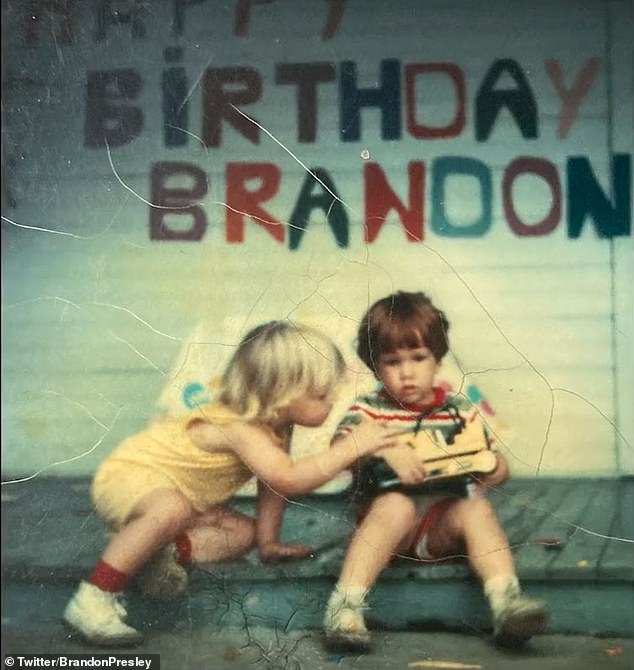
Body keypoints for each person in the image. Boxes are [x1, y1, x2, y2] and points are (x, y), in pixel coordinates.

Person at [63, 321, 402, 647]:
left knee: (242, 533)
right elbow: (289, 477)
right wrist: (351, 448)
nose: (331, 403)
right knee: (170, 507)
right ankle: (93, 598)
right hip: (130, 477)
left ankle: (159, 553)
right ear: (283, 394)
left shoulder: (275, 426)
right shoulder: (240, 428)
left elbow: (273, 484)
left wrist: (267, 543)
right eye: (321, 395)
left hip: (177, 497)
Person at [323, 292, 549, 650]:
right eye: (392, 362)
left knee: (477, 509)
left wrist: (495, 469)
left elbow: (490, 459)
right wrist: (384, 447)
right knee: (395, 504)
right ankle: (345, 608)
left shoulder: (458, 409)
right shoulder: (369, 409)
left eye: (418, 358)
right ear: (375, 367)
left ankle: (507, 602)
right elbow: (338, 454)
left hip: (439, 528)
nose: (407, 372)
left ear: (437, 359)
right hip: (387, 532)